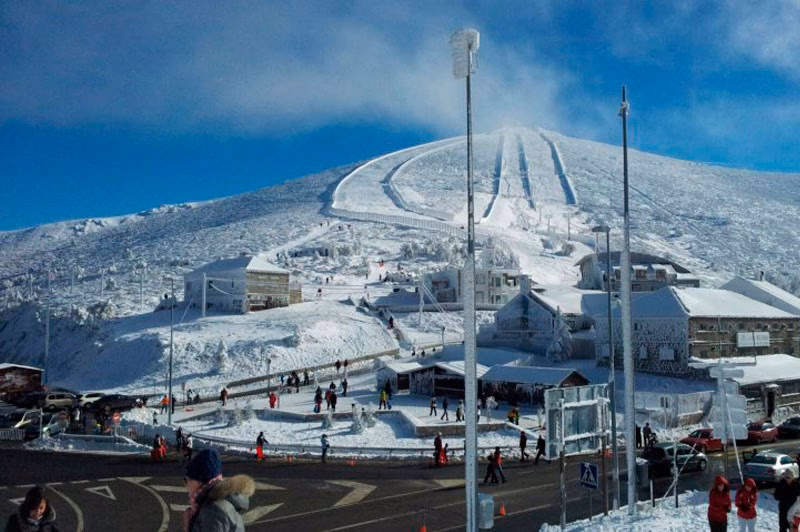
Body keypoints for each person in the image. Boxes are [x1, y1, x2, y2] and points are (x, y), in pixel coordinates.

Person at [183, 449, 255, 532]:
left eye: (186, 480)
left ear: (198, 482)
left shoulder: (212, 511)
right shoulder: (217, 503)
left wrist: (187, 527)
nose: (186, 485)